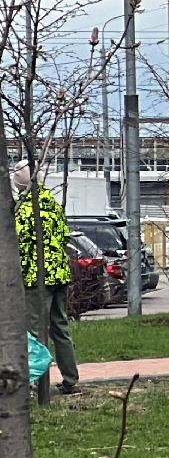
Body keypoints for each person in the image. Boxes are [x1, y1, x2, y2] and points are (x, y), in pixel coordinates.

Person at [13, 160, 81, 395]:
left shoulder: (25, 208)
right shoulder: (50, 202)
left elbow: (19, 244)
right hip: (59, 273)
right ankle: (71, 379)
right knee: (60, 326)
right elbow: (64, 234)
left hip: (36, 275)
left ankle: (34, 382)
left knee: (34, 329)